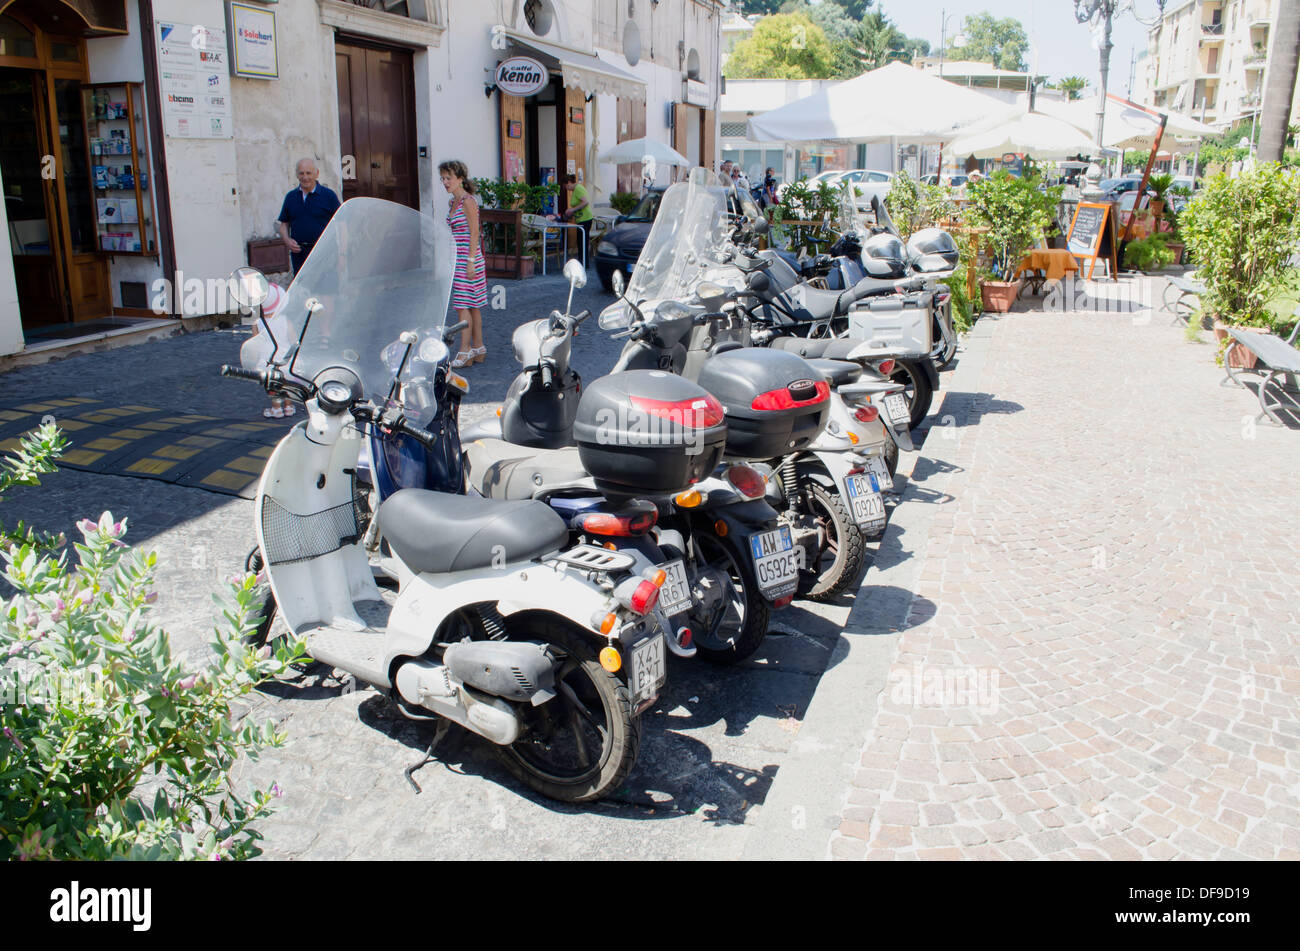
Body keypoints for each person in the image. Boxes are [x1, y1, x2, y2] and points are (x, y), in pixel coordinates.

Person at [439, 160, 486, 367]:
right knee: (472, 305)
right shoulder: (453, 203)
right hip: (459, 257)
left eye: (449, 178)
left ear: (460, 179)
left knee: (462, 305)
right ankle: (478, 346)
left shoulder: (468, 201)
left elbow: (475, 232)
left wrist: (470, 261)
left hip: (468, 257)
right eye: (443, 178)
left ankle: (465, 349)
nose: (445, 182)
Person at [277, 158, 340, 274]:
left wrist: (343, 253)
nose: (305, 177)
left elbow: (341, 224)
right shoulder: (290, 197)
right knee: (302, 290)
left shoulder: (329, 196)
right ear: (297, 175)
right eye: (301, 173)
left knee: (326, 290)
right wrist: (287, 240)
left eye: (308, 173)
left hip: (324, 255)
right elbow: (284, 224)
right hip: (299, 256)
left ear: (317, 174)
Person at [561, 172, 594, 261]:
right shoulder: (576, 189)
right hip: (581, 219)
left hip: (585, 219)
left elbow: (585, 202)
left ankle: (584, 263)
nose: (567, 189)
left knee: (582, 242)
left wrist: (572, 210)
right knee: (581, 242)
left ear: (569, 182)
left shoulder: (578, 189)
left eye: (566, 187)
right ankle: (583, 262)